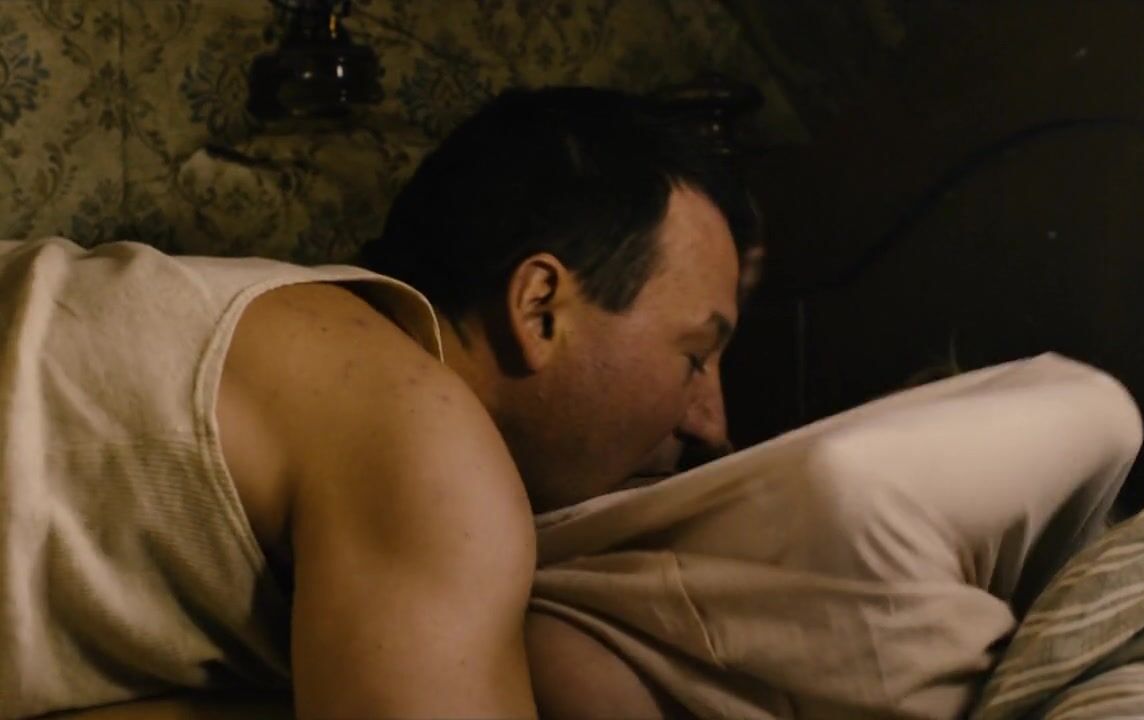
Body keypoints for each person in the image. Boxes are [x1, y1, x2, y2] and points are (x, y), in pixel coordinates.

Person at [2, 86, 757, 719]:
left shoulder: (307, 347)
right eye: (695, 356)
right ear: (539, 309)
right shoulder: (423, 441)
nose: (713, 425)